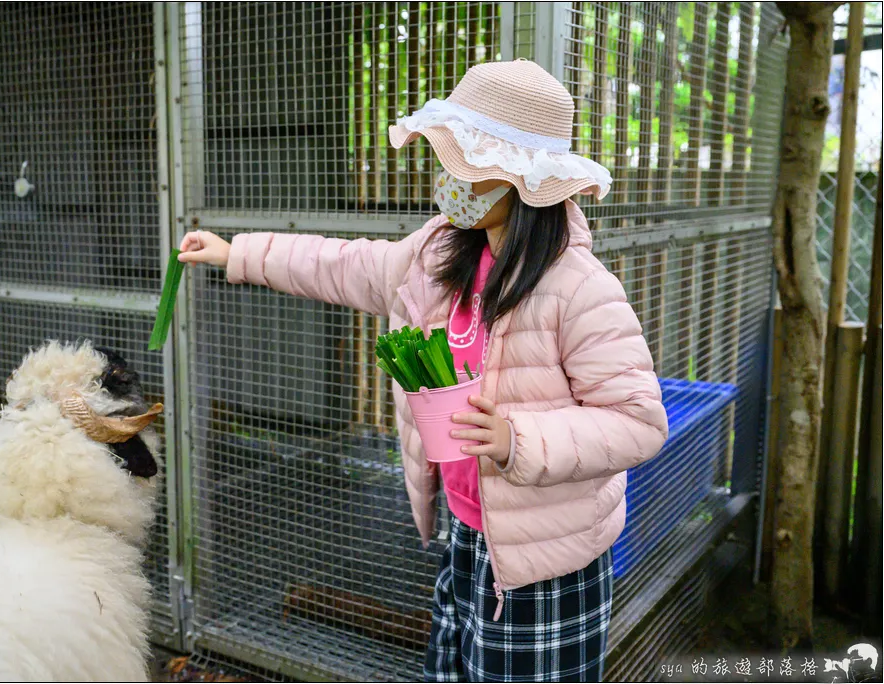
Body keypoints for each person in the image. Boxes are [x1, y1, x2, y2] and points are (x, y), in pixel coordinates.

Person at [178, 60, 668, 683]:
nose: (448, 178)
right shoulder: (442, 248)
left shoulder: (579, 289)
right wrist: (238, 251)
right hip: (464, 534)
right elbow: (349, 266)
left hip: (544, 558)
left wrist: (520, 439)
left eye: (465, 161)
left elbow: (638, 423)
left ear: (519, 179)